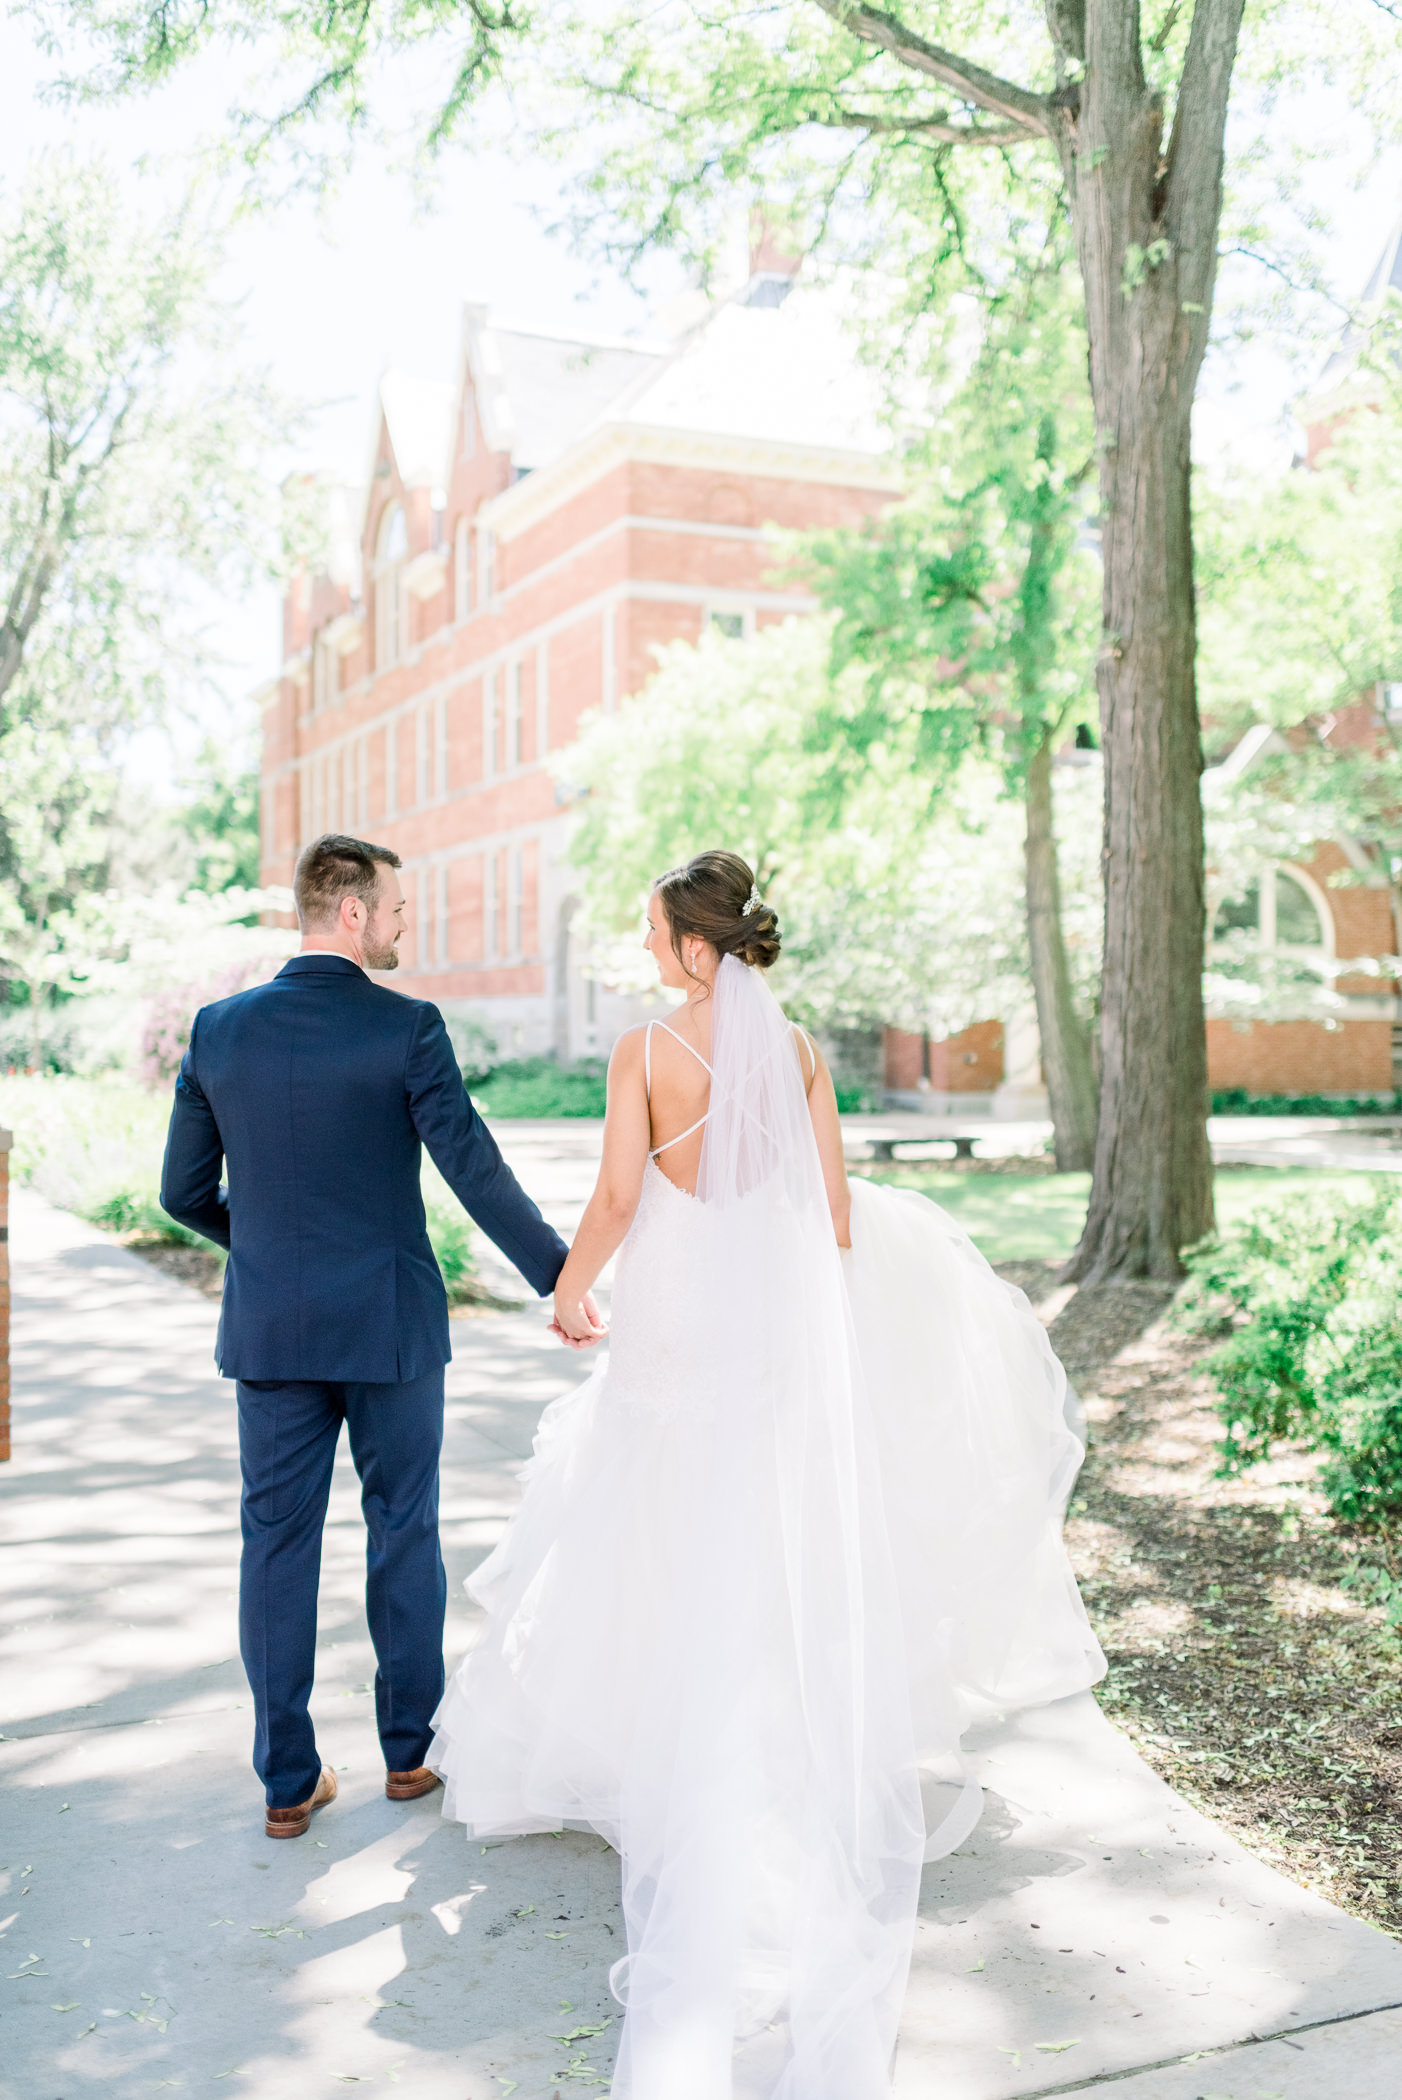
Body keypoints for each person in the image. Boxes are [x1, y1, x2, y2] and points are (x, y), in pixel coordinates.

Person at [429, 849, 1105, 2100]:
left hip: (674, 1317)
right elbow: (833, 1219)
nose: (643, 951)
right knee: (759, 1527)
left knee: (651, 1522)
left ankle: (658, 1742)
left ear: (697, 945)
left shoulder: (644, 1053)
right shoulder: (797, 1057)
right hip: (766, 1329)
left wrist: (574, 1286)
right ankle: (761, 1734)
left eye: (651, 932)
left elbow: (624, 1195)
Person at [159, 833, 590, 1839]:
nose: (405, 923)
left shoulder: (219, 1032)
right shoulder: (406, 1029)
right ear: (351, 912)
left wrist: (259, 1247)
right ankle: (408, 1756)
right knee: (404, 1530)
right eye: (397, 907)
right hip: (390, 1326)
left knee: (275, 1544)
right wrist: (559, 1277)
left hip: (271, 1327)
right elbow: (471, 1167)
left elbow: (181, 1192)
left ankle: (284, 1780)